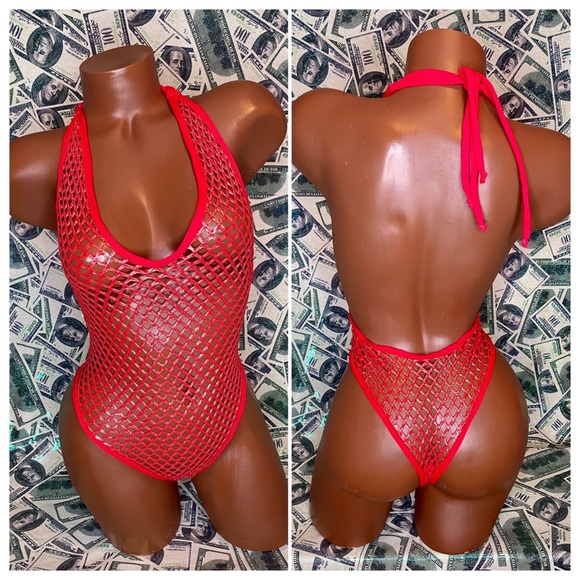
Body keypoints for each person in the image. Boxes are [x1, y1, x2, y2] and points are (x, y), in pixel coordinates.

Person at [293, 28, 569, 555]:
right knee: (452, 543)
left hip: (375, 406)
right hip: (483, 411)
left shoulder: (321, 117)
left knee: (342, 531)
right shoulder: (551, 157)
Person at [10, 44, 287, 555]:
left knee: (267, 534)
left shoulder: (241, 114)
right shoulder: (28, 166)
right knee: (145, 546)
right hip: (113, 425)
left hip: (223, 406)